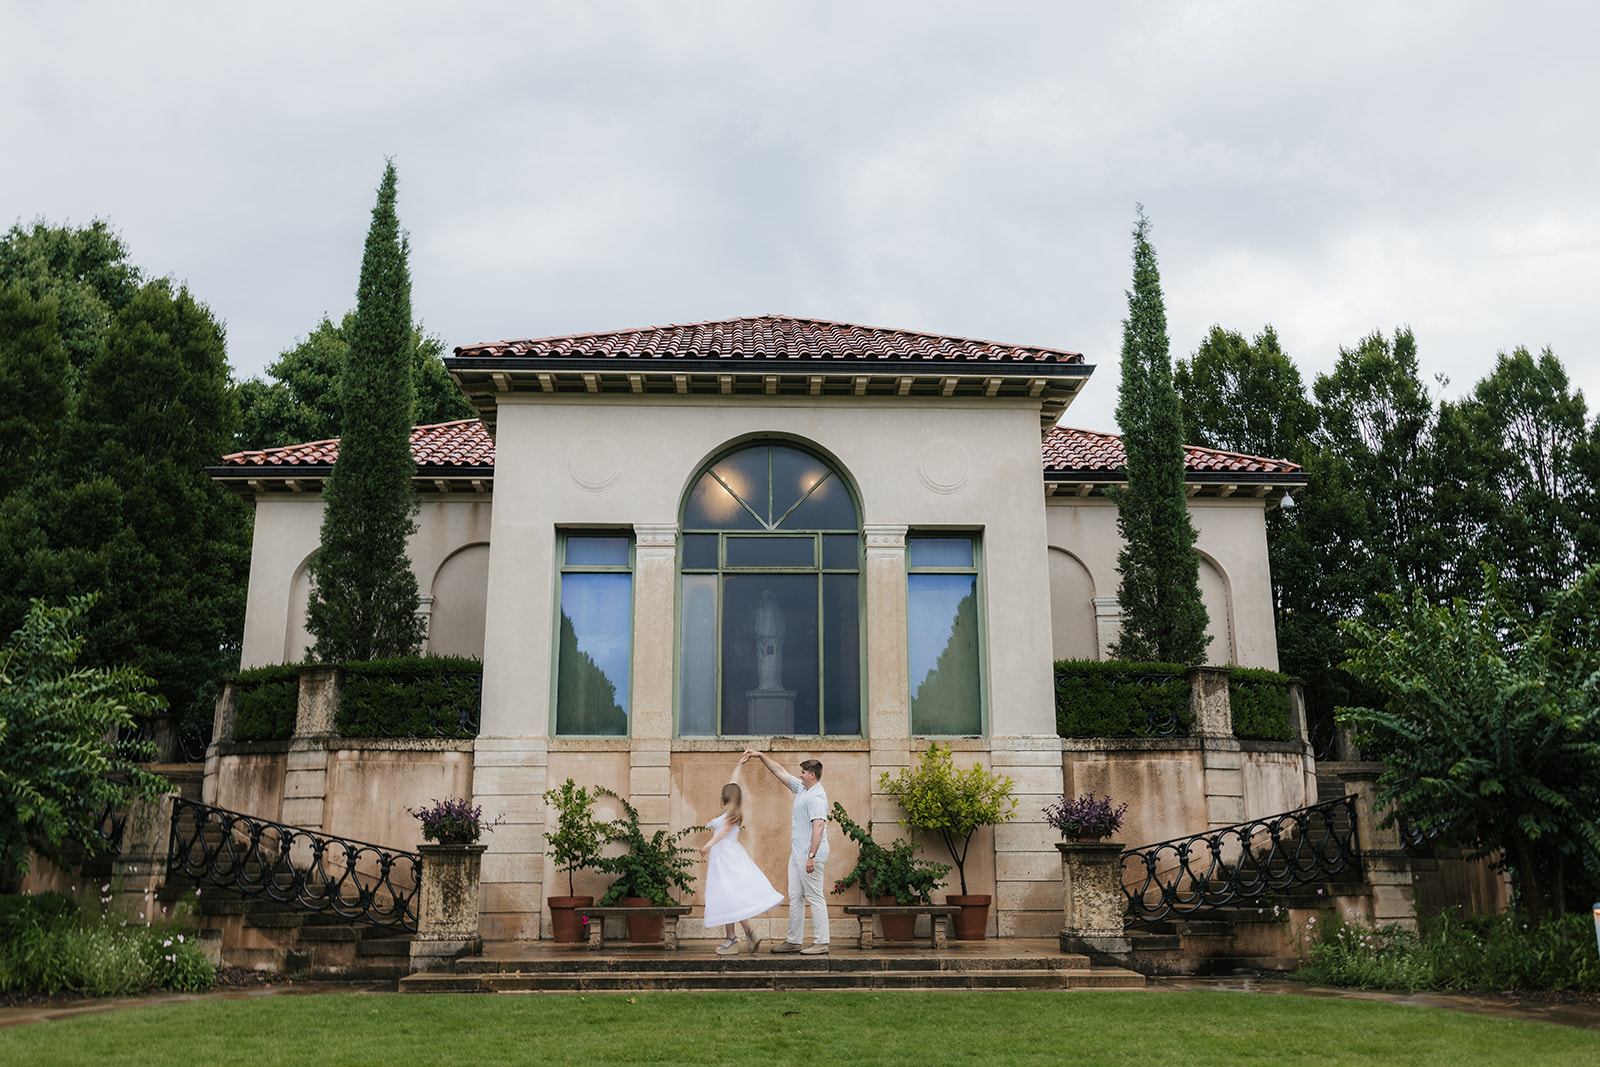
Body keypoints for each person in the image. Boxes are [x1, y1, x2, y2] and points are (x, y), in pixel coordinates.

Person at [743, 749, 829, 954]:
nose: (799, 775)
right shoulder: (802, 789)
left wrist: (811, 856)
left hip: (809, 855)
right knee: (795, 896)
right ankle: (793, 941)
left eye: (803, 772)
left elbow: (819, 826)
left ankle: (822, 942)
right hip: (797, 853)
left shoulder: (817, 796)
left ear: (812, 775)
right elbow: (780, 772)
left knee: (815, 896)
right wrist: (760, 755)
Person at [700, 781, 784, 955]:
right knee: (728, 897)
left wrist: (709, 844)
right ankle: (746, 933)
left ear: (727, 796)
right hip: (722, 858)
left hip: (727, 857)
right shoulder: (728, 812)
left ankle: (733, 938)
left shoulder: (733, 814)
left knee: (728, 896)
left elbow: (723, 832)